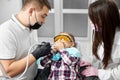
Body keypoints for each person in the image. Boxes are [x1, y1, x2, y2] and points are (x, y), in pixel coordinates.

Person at [0, 0, 51, 80]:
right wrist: (36, 54)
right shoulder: (6, 31)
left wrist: (40, 49)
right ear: (31, 11)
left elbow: (27, 53)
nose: (44, 21)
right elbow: (8, 72)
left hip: (33, 76)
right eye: (43, 16)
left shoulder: (31, 27)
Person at [88, 0, 120, 80]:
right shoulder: (99, 29)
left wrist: (98, 72)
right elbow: (96, 55)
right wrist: (89, 63)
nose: (90, 22)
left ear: (106, 20)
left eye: (94, 19)